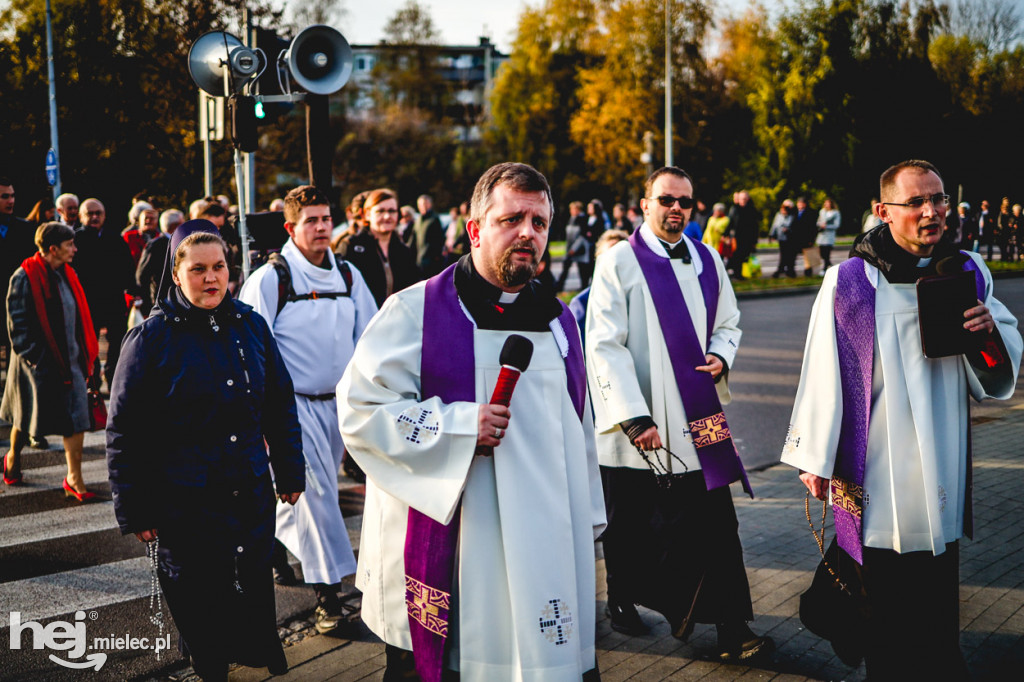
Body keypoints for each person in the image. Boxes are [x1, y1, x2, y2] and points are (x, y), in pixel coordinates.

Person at [337, 162, 605, 681]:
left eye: (540, 223)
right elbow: (361, 411)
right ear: (476, 229)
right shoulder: (413, 312)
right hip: (454, 549)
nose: (528, 233)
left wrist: (586, 516)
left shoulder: (560, 322)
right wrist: (459, 427)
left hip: (541, 542)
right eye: (512, 219)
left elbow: (581, 427)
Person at [782, 160, 1021, 679]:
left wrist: (988, 334)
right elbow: (821, 368)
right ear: (883, 212)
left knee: (938, 584)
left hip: (943, 453)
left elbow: (1000, 357)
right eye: (915, 202)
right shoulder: (848, 282)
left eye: (938, 199)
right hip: (876, 467)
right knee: (883, 594)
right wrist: (814, 457)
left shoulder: (967, 270)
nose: (932, 211)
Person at [585, 166, 771, 660]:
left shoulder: (708, 259)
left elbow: (729, 321)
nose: (675, 209)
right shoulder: (619, 262)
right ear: (643, 204)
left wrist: (721, 355)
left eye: (685, 202)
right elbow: (603, 346)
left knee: (716, 526)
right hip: (638, 428)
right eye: (665, 199)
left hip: (698, 426)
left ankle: (731, 625)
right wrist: (634, 417)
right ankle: (621, 598)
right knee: (631, 528)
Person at [107, 227, 305, 681]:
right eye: (197, 269)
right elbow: (124, 431)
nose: (211, 278)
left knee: (249, 587)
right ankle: (210, 668)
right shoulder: (149, 340)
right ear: (176, 275)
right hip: (185, 501)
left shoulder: (251, 325)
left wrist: (291, 469)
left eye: (219, 267)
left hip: (249, 489)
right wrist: (135, 507)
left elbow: (279, 401)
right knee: (197, 596)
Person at [239, 185, 377, 633]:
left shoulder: (350, 276)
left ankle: (278, 543)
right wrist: (259, 416)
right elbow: (249, 351)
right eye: (311, 221)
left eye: (326, 219)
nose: (321, 228)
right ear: (290, 228)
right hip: (291, 408)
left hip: (340, 404)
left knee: (305, 497)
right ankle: (328, 598)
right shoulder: (270, 279)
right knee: (317, 497)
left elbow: (372, 339)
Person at [2, 222, 97, 500]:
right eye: (70, 245)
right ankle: (13, 458)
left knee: (77, 418)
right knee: (26, 417)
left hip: (72, 360)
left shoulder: (68, 274)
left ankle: (74, 479)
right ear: (53, 248)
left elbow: (79, 316)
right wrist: (36, 358)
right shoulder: (23, 277)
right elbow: (17, 326)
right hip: (39, 365)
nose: (75, 250)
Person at [72, 198, 137, 390]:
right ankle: (92, 379)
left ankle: (113, 376)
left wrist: (131, 289)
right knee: (88, 341)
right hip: (87, 299)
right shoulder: (76, 238)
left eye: (98, 213)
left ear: (104, 215)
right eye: (90, 213)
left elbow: (127, 266)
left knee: (117, 339)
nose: (94, 217)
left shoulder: (114, 238)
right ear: (81, 216)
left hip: (112, 298)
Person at [336, 188, 422, 308]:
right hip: (364, 322)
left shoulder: (403, 251)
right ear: (367, 214)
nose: (387, 216)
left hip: (397, 321)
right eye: (380, 211)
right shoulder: (351, 247)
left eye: (392, 211)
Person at [1, 178, 39, 392]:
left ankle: (14, 392)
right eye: (4, 196)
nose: (10, 201)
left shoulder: (25, 228)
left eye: (12, 195)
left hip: (18, 298)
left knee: (16, 347)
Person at [555, 200, 592, 292]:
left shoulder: (582, 219)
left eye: (573, 209)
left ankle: (584, 287)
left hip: (579, 249)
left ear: (578, 210)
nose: (571, 211)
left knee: (582, 270)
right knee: (566, 267)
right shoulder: (571, 219)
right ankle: (559, 286)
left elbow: (582, 236)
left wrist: (574, 248)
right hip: (570, 248)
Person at [409, 194, 446, 277]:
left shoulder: (434, 219)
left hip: (431, 263)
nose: (423, 207)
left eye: (425, 204)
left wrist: (436, 258)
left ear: (430, 205)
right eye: (421, 205)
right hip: (419, 261)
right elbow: (413, 239)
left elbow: (440, 240)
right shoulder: (418, 220)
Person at [769, 199, 796, 277]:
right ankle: (782, 269)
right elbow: (775, 225)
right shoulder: (779, 215)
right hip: (781, 237)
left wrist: (788, 230)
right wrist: (772, 235)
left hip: (790, 238)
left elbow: (794, 226)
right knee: (783, 254)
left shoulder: (793, 216)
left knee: (789, 255)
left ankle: (788, 270)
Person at [815, 197, 841, 271]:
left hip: (829, 235)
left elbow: (837, 225)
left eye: (829, 204)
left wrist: (827, 226)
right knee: (822, 253)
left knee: (827, 253)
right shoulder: (822, 212)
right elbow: (818, 221)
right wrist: (820, 224)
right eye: (826, 203)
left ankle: (825, 268)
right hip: (822, 235)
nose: (827, 205)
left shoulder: (835, 213)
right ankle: (830, 265)